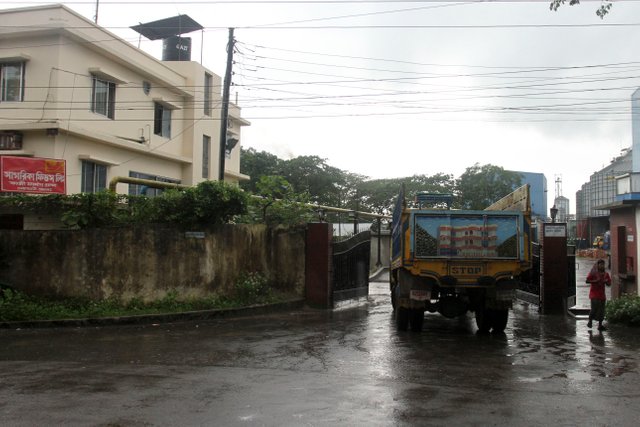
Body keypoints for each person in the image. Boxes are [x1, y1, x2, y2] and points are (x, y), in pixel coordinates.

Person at [586, 259, 611, 331]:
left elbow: (609, 284)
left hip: (602, 295)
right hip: (594, 294)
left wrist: (606, 282)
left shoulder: (606, 274)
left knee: (602, 310)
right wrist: (595, 281)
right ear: (598, 265)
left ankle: (600, 325)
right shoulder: (593, 272)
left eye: (603, 264)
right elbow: (587, 280)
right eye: (600, 264)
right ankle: (590, 321)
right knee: (594, 308)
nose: (602, 266)